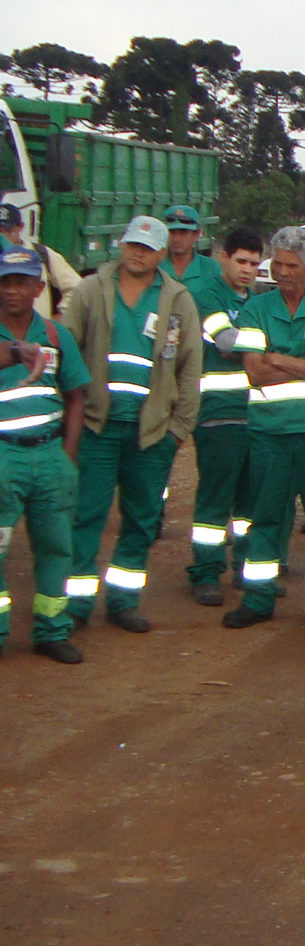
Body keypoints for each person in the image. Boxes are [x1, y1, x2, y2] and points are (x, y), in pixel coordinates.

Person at [63, 216, 202, 632]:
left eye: (146, 247)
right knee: (86, 514)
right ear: (121, 245)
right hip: (97, 426)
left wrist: (178, 429)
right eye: (132, 244)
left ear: (162, 254)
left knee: (141, 518)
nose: (137, 252)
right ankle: (76, 603)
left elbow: (190, 366)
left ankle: (123, 601)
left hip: (152, 432)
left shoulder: (177, 300)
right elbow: (68, 349)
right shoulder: (91, 290)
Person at [221, 228, 305, 635]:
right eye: (276, 264)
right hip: (269, 434)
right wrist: (301, 363)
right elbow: (253, 371)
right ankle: (258, 598)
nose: (281, 272)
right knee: (265, 519)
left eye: (290, 266)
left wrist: (278, 357)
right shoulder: (257, 309)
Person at [0, 247, 89, 663]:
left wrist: (67, 456)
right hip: (4, 459)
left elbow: (75, 397)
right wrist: (16, 352)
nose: (12, 290)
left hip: (50, 457)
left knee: (56, 547)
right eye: (5, 282)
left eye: (21, 282)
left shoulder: (56, 336)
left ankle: (52, 630)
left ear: (39, 287)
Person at [185, 228, 263, 606]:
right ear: (223, 258)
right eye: (241, 261)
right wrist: (272, 346)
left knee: (252, 502)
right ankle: (205, 572)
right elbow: (228, 343)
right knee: (215, 500)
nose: (248, 270)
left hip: (257, 413)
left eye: (253, 263)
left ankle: (247, 568)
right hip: (218, 414)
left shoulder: (260, 300)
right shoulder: (207, 297)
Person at [0, 203, 81, 317]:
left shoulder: (41, 253)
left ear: (20, 227)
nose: (3, 236)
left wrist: (62, 315)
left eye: (8, 231)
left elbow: (77, 287)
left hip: (38, 331)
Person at [159, 205, 224, 293]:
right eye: (172, 232)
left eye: (183, 232)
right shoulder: (155, 265)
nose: (176, 239)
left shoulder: (210, 268)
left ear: (196, 234)